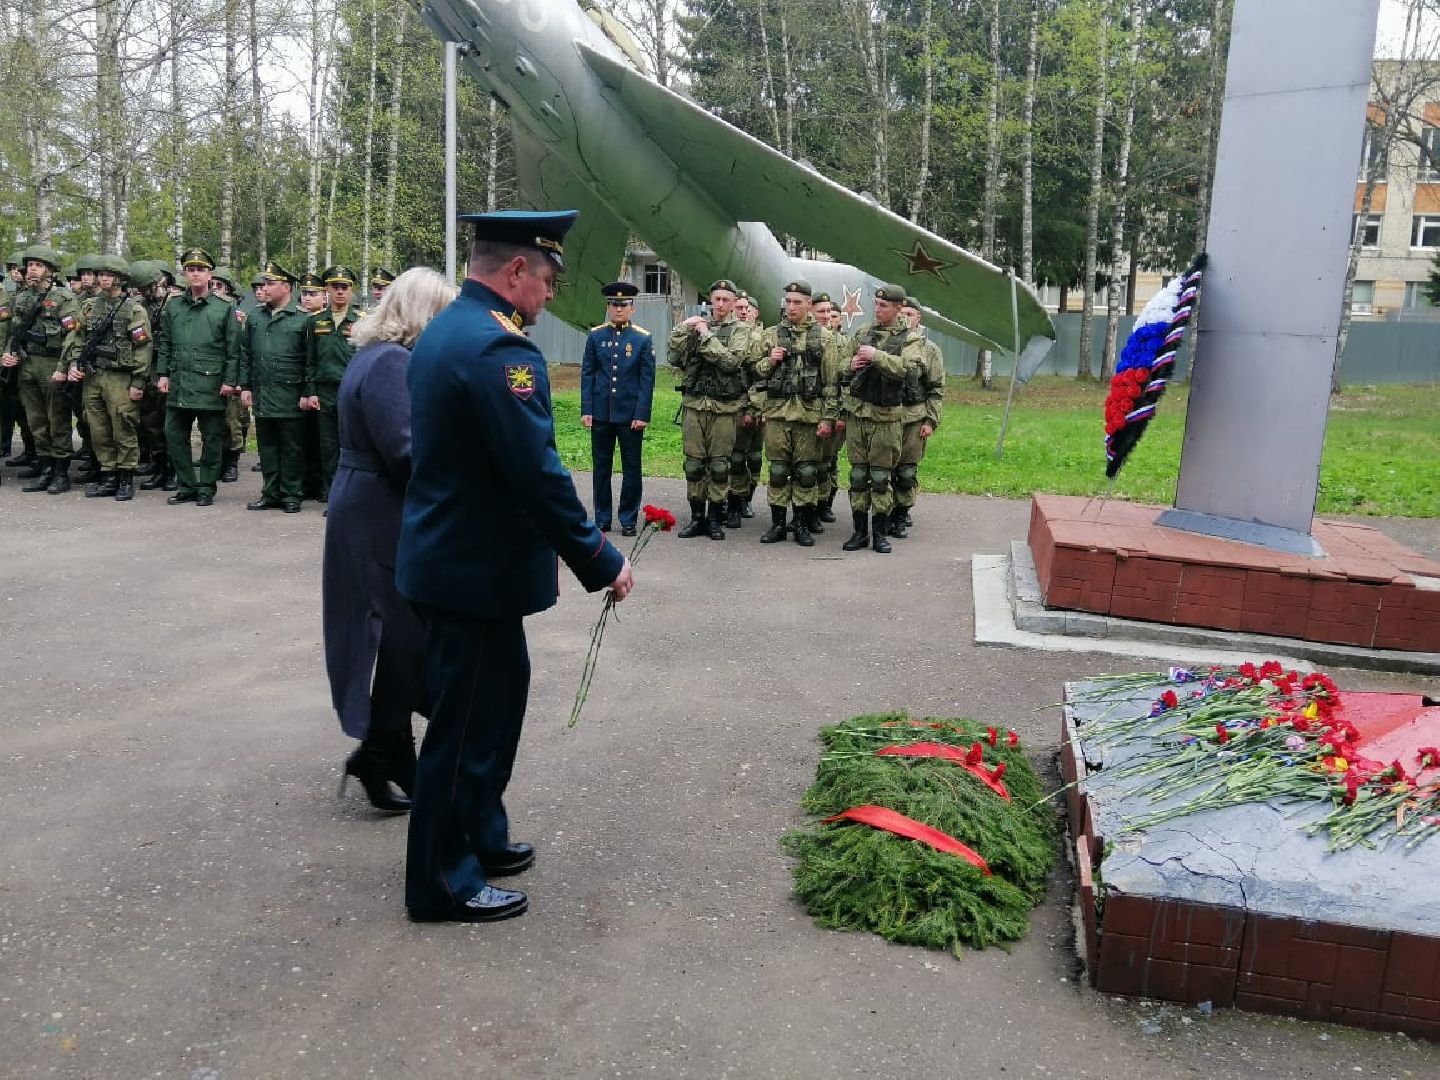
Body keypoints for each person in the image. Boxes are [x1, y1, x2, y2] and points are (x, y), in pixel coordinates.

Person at [396, 209, 633, 924]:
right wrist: (600, 556)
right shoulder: (501, 352)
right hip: (470, 572)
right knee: (464, 727)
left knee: (494, 707)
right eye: (550, 279)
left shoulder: (448, 330)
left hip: (464, 568)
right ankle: (442, 881)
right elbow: (538, 475)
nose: (552, 294)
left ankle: (480, 836)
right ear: (517, 271)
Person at [325, 268, 457, 814]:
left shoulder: (379, 357)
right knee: (405, 634)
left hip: (372, 501)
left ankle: (389, 750)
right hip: (380, 507)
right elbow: (405, 451)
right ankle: (382, 751)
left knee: (403, 635)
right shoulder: (391, 364)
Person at [749, 279, 842, 545]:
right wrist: (771, 360)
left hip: (809, 418)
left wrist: (828, 418)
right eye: (788, 302)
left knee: (806, 473)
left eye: (797, 302)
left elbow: (832, 384)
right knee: (778, 472)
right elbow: (754, 372)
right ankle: (778, 525)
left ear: (809, 305)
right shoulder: (771, 334)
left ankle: (801, 524)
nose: (791, 307)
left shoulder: (825, 338)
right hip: (777, 415)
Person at [841, 284, 925, 554]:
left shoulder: (910, 339)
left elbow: (911, 370)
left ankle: (879, 533)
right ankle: (858, 532)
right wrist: (850, 365)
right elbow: (841, 365)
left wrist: (877, 356)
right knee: (857, 475)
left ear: (899, 307)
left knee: (880, 477)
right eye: (876, 304)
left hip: (887, 417)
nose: (877, 309)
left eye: (884, 305)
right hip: (858, 413)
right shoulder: (864, 332)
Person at [667, 278, 753, 539]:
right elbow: (673, 356)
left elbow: (730, 362)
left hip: (724, 407)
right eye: (716, 299)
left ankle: (715, 518)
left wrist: (705, 335)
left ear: (734, 303)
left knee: (718, 465)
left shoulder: (741, 330)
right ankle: (696, 517)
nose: (720, 304)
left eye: (726, 300)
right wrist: (684, 327)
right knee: (693, 465)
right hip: (694, 404)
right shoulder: (697, 325)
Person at [156, 248, 241, 507]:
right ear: (184, 274)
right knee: (173, 435)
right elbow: (165, 343)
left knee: (212, 439)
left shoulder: (224, 308)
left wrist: (229, 380)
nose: (195, 274)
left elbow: (233, 349)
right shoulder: (174, 306)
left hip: (211, 383)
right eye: (190, 269)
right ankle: (186, 485)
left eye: (200, 269)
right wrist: (162, 374)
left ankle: (206, 486)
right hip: (179, 383)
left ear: (209, 275)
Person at [65, 255, 152, 501]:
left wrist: (138, 382)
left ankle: (125, 476)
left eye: (108, 275)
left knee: (123, 427)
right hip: (93, 375)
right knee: (98, 428)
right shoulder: (89, 307)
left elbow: (143, 348)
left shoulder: (133, 310)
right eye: (100, 274)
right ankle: (108, 474)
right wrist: (74, 363)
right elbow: (78, 339)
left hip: (120, 378)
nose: (102, 279)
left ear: (120, 279)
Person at [0, 245, 80, 494]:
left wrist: (63, 366)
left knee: (57, 418)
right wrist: (9, 354)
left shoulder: (63, 299)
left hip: (52, 363)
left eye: (38, 265)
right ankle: (45, 467)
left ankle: (60, 472)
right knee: (36, 419)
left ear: (50, 270)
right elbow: (13, 331)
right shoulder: (22, 297)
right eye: (30, 265)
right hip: (27, 364)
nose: (32, 270)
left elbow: (73, 334)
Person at [581, 280, 655, 535]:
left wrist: (642, 414)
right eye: (614, 304)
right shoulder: (596, 335)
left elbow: (647, 380)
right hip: (602, 413)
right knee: (601, 467)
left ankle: (628, 519)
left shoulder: (642, 339)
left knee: (631, 468)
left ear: (632, 308)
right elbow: (588, 373)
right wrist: (587, 409)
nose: (618, 309)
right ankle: (602, 518)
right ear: (608, 306)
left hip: (630, 416)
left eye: (624, 305)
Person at [239, 261, 310, 513]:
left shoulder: (302, 319)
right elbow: (245, 353)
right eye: (264, 284)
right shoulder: (255, 316)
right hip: (263, 393)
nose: (265, 288)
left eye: (270, 283)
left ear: (286, 287)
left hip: (290, 394)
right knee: (267, 446)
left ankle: (291, 494)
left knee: (291, 447)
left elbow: (309, 361)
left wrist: (306, 392)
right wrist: (245, 386)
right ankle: (271, 493)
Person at [305, 264, 363, 501]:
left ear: (351, 290)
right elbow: (309, 360)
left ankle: (351, 495)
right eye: (335, 286)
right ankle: (332, 495)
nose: (340, 291)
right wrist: (311, 392)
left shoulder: (361, 321)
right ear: (327, 289)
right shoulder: (316, 321)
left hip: (350, 391)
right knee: (327, 447)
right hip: (324, 392)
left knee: (350, 445)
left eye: (345, 287)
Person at [892, 296, 946, 537]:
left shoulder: (930, 350)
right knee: (883, 470)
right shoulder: (889, 344)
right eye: (901, 313)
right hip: (886, 416)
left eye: (910, 314)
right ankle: (884, 514)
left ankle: (901, 514)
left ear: (918, 318)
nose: (905, 318)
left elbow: (935, 388)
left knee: (906, 471)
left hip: (914, 418)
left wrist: (930, 421)